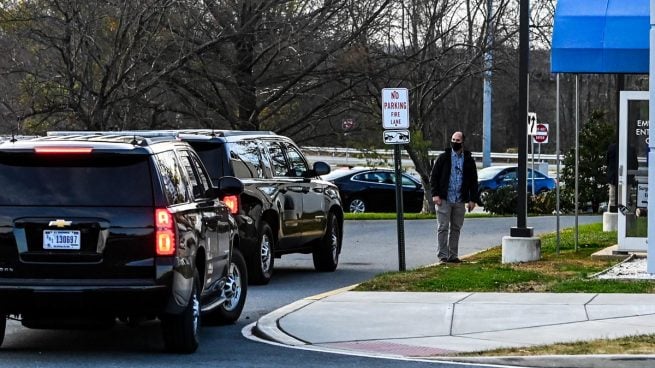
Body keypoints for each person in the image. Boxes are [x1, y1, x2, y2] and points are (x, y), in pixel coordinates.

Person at [430, 131, 479, 263]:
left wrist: (472, 199)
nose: (455, 142)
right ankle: (443, 256)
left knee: (456, 228)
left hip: (459, 199)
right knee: (443, 227)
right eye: (453, 140)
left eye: (457, 140)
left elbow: (474, 181)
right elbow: (434, 177)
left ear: (463, 142)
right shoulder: (443, 158)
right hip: (444, 199)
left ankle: (453, 255)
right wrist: (435, 194)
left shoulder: (468, 160)